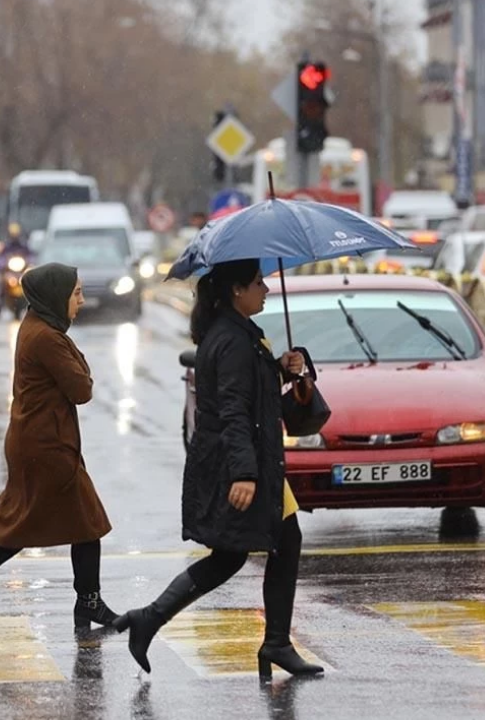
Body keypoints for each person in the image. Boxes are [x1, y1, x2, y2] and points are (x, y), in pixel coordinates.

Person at [113, 258, 323, 680]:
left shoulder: (239, 335)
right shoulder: (231, 341)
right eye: (258, 282)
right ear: (236, 291)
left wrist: (281, 370)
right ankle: (269, 641)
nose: (265, 288)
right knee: (238, 553)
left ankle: (155, 620)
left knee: (258, 547)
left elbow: (252, 397)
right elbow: (232, 411)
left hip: (250, 461)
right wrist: (244, 474)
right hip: (239, 464)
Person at [0, 262, 118, 629]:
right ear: (56, 296)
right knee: (18, 528)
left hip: (42, 441)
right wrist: (82, 365)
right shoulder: (47, 337)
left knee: (84, 522)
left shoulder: (39, 326)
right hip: (45, 446)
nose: (81, 301)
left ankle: (89, 602)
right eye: (76, 293)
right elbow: (81, 389)